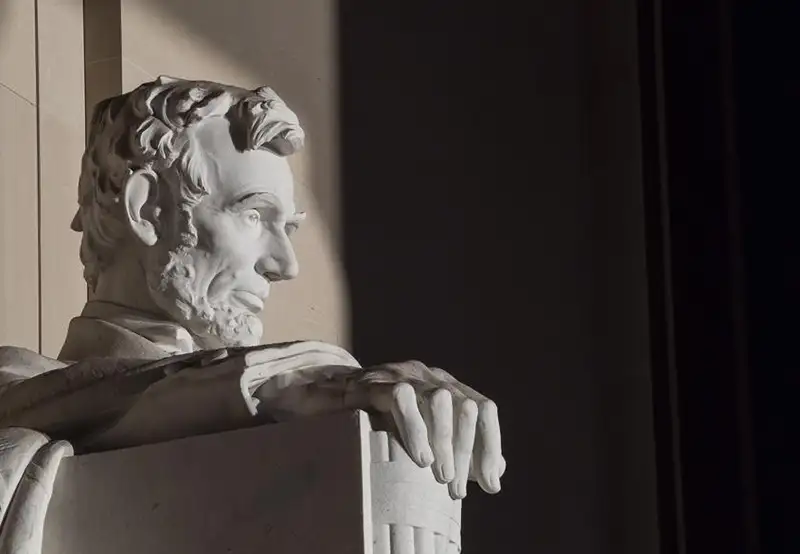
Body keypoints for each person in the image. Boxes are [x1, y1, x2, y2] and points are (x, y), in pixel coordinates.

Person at [0, 77, 505, 504]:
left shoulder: (288, 421)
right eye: (254, 215)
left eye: (289, 229)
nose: (285, 265)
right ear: (147, 208)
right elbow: (73, 402)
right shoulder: (16, 388)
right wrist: (285, 379)